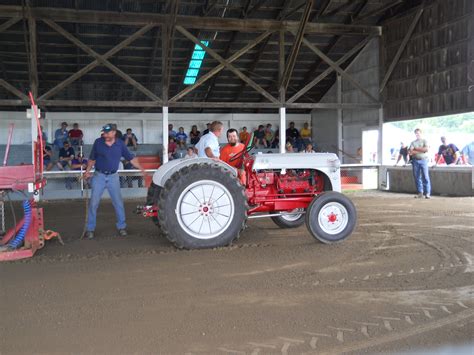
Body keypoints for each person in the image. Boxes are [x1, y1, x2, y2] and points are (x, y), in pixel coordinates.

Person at [83, 123, 145, 239]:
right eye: (104, 132)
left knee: (118, 203)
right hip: (99, 176)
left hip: (113, 177)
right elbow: (92, 159)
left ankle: (122, 227)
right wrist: (87, 171)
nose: (105, 134)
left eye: (107, 133)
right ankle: (90, 229)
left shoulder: (120, 144)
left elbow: (130, 158)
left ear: (113, 133)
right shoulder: (98, 142)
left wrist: (141, 168)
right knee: (93, 203)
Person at [408, 128, 431, 199]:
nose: (417, 134)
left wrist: (415, 149)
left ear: (421, 133)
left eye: (418, 133)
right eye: (416, 133)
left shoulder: (424, 141)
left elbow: (426, 149)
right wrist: (421, 150)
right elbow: (410, 152)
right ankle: (420, 193)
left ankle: (427, 193)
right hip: (415, 160)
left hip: (423, 160)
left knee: (425, 176)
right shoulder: (413, 142)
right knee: (417, 177)